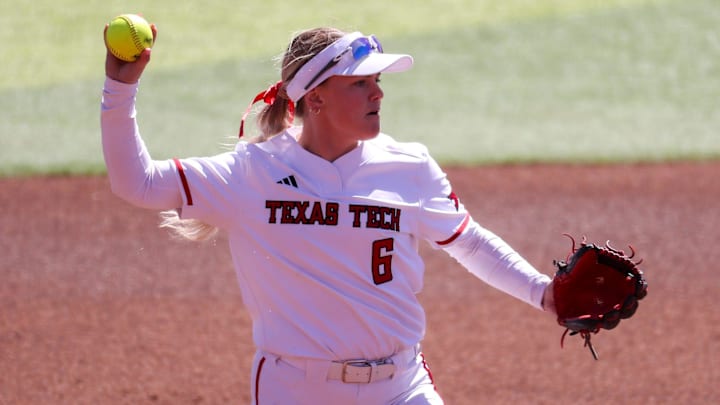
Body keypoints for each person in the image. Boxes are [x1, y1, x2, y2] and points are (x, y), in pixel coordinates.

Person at [101, 24, 556, 405]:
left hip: (401, 387)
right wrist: (120, 87)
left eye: (377, 81)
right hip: (295, 390)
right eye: (360, 83)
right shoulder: (252, 173)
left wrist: (544, 293)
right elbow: (135, 182)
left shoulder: (410, 167)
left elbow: (469, 242)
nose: (378, 92)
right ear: (314, 99)